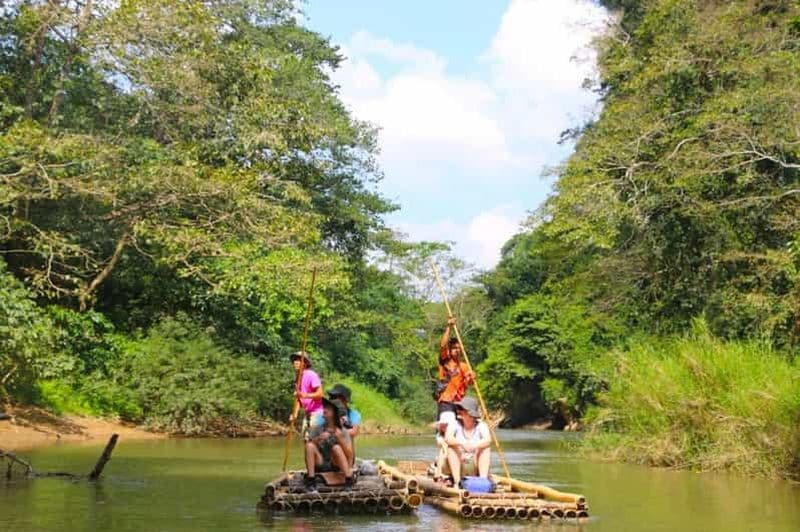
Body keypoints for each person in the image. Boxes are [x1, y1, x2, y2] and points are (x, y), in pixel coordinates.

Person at [303, 397, 354, 491]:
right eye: (324, 407)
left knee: (336, 448)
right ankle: (311, 480)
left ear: (334, 414)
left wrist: (340, 439)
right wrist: (318, 439)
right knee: (309, 445)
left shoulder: (343, 431)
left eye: (328, 408)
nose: (324, 410)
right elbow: (308, 449)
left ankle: (348, 480)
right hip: (321, 462)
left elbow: (350, 455)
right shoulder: (317, 429)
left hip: (336, 464)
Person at [435, 317, 474, 435]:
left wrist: (471, 378)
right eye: (454, 348)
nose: (457, 350)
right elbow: (442, 345)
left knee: (457, 432)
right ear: (450, 350)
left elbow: (469, 383)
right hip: (446, 401)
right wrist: (449, 327)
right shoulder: (445, 362)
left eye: (459, 348)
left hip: (459, 403)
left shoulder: (464, 366)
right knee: (447, 430)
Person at [443, 396, 491, 487]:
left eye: (462, 409)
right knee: (451, 448)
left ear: (470, 413)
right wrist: (462, 444)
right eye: (459, 408)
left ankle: (483, 482)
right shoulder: (454, 424)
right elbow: (448, 438)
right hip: (458, 463)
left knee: (485, 448)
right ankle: (457, 483)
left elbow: (488, 440)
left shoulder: (481, 425)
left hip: (474, 463)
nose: (459, 411)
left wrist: (474, 446)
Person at [327, 383, 361, 466]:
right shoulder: (325, 413)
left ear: (344, 400)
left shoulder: (353, 414)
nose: (332, 400)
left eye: (335, 398)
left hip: (346, 454)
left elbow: (353, 432)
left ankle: (347, 466)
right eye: (332, 397)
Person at [290, 351, 324, 430]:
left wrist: (305, 395)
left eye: (299, 360)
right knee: (306, 440)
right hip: (307, 413)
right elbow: (298, 399)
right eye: (295, 360)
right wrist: (295, 414)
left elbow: (320, 394)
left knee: (313, 440)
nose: (296, 362)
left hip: (317, 413)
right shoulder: (297, 378)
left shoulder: (311, 375)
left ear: (305, 363)